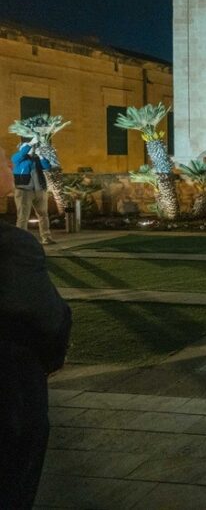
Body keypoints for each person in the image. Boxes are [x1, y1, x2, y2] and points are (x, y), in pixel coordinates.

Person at [0, 146, 72, 508]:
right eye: (1, 162)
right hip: (12, 387)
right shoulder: (13, 247)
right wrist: (50, 359)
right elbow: (45, 316)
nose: (6, 166)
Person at [11, 138, 55, 244]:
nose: (31, 149)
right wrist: (30, 144)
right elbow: (21, 154)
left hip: (40, 190)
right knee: (23, 216)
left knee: (43, 214)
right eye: (26, 147)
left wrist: (41, 156)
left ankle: (46, 237)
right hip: (24, 190)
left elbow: (47, 166)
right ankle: (20, 240)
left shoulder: (37, 159)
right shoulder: (17, 158)